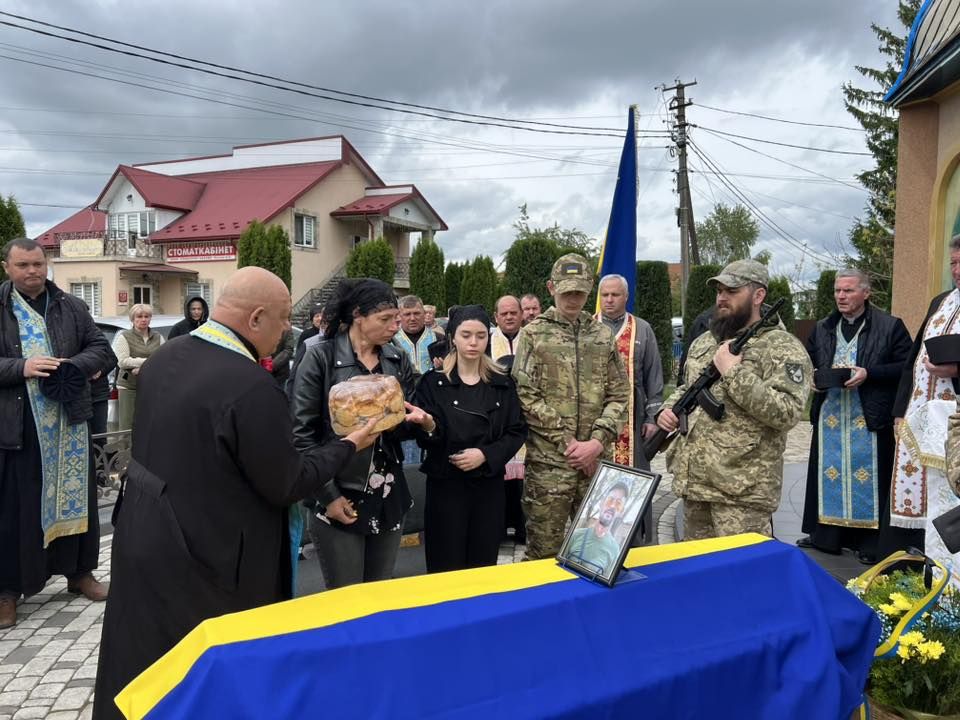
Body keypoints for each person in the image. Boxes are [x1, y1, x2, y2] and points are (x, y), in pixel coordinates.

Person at [92, 267, 380, 720]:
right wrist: (347, 445)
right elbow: (286, 482)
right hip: (210, 556)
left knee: (148, 659)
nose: (288, 330)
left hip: (149, 532)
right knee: (211, 676)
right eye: (284, 319)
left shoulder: (168, 356)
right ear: (257, 318)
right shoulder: (249, 386)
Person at [0, 238, 114, 630]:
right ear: (7, 267)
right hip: (19, 428)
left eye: (37, 264)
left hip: (69, 423)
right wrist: (22, 367)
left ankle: (79, 573)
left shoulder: (71, 306)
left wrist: (73, 366)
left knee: (77, 500)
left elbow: (102, 349)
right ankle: (8, 591)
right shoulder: (1, 309)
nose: (32, 271)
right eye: (22, 265)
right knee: (16, 508)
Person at [292, 279, 435, 589]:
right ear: (358, 315)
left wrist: (425, 424)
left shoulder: (395, 359)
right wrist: (329, 496)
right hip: (340, 491)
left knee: (379, 594)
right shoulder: (320, 358)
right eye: (385, 319)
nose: (394, 327)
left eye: (395, 319)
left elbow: (407, 419)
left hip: (387, 492)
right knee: (347, 600)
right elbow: (302, 435)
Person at [656, 259, 811, 540]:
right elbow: (688, 386)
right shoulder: (706, 341)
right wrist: (668, 409)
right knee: (696, 574)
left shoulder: (782, 347)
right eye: (719, 291)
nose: (722, 298)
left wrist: (733, 373)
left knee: (743, 579)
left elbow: (787, 412)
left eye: (732, 291)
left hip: (742, 491)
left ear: (758, 295)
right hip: (696, 485)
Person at [512, 253, 629, 559]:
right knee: (542, 556)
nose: (573, 298)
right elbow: (526, 395)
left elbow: (619, 395)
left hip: (594, 465)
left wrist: (596, 443)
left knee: (595, 555)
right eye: (566, 291)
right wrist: (570, 444)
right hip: (550, 468)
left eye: (579, 291)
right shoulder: (534, 335)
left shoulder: (602, 336)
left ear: (590, 288)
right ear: (552, 288)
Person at [798, 269, 912, 564]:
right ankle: (827, 538)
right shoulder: (823, 327)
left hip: (870, 415)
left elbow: (906, 367)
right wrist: (811, 377)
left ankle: (870, 543)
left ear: (865, 293)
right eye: (838, 291)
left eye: (848, 291)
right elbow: (806, 361)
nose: (841, 296)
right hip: (831, 417)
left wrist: (869, 373)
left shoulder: (890, 326)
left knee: (869, 477)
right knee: (830, 474)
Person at [413, 305, 527, 572]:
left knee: (482, 565)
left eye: (480, 335)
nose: (473, 342)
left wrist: (486, 455)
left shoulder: (502, 383)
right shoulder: (433, 382)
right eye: (466, 335)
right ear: (453, 337)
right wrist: (429, 426)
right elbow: (423, 436)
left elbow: (516, 430)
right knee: (445, 565)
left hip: (487, 488)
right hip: (446, 488)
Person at [890, 235, 960, 578]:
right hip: (923, 416)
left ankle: (950, 567)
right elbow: (913, 358)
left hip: (954, 423)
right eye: (953, 264)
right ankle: (926, 558)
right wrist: (900, 410)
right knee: (924, 486)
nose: (957, 271)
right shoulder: (941, 301)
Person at [596, 273, 664, 545]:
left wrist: (652, 416)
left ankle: (634, 539)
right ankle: (596, 536)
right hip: (596, 420)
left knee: (633, 477)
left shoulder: (642, 329)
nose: (609, 300)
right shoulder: (587, 327)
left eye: (615, 295)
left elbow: (654, 376)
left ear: (626, 297)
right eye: (605, 295)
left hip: (632, 422)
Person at [112, 303, 164, 432]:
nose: (143, 319)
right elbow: (123, 361)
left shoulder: (158, 337)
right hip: (129, 386)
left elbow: (164, 359)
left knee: (150, 423)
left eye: (146, 316)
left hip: (151, 386)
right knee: (127, 425)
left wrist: (142, 368)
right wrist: (149, 362)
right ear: (132, 319)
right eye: (139, 316)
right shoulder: (124, 337)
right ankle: (126, 451)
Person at [566, 481, 629, 577]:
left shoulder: (614, 550)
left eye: (618, 503)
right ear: (601, 503)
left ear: (621, 512)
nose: (612, 506)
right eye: (610, 500)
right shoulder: (575, 535)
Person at [393, 294, 440, 376]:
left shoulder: (439, 338)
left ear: (424, 314)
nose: (412, 318)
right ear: (399, 316)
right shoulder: (391, 341)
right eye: (407, 314)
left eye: (417, 313)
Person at [490, 295, 523, 359]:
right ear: (496, 317)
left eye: (513, 313)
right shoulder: (487, 343)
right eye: (504, 314)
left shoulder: (533, 340)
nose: (509, 317)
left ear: (521, 314)